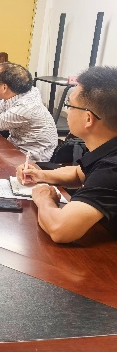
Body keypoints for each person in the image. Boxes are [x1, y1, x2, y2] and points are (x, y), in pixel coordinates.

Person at [16, 66, 117, 243]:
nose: (67, 111)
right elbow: (79, 173)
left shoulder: (112, 168)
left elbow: (60, 229)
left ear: (88, 118)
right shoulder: (107, 147)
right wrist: (40, 175)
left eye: (69, 105)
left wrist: (43, 198)